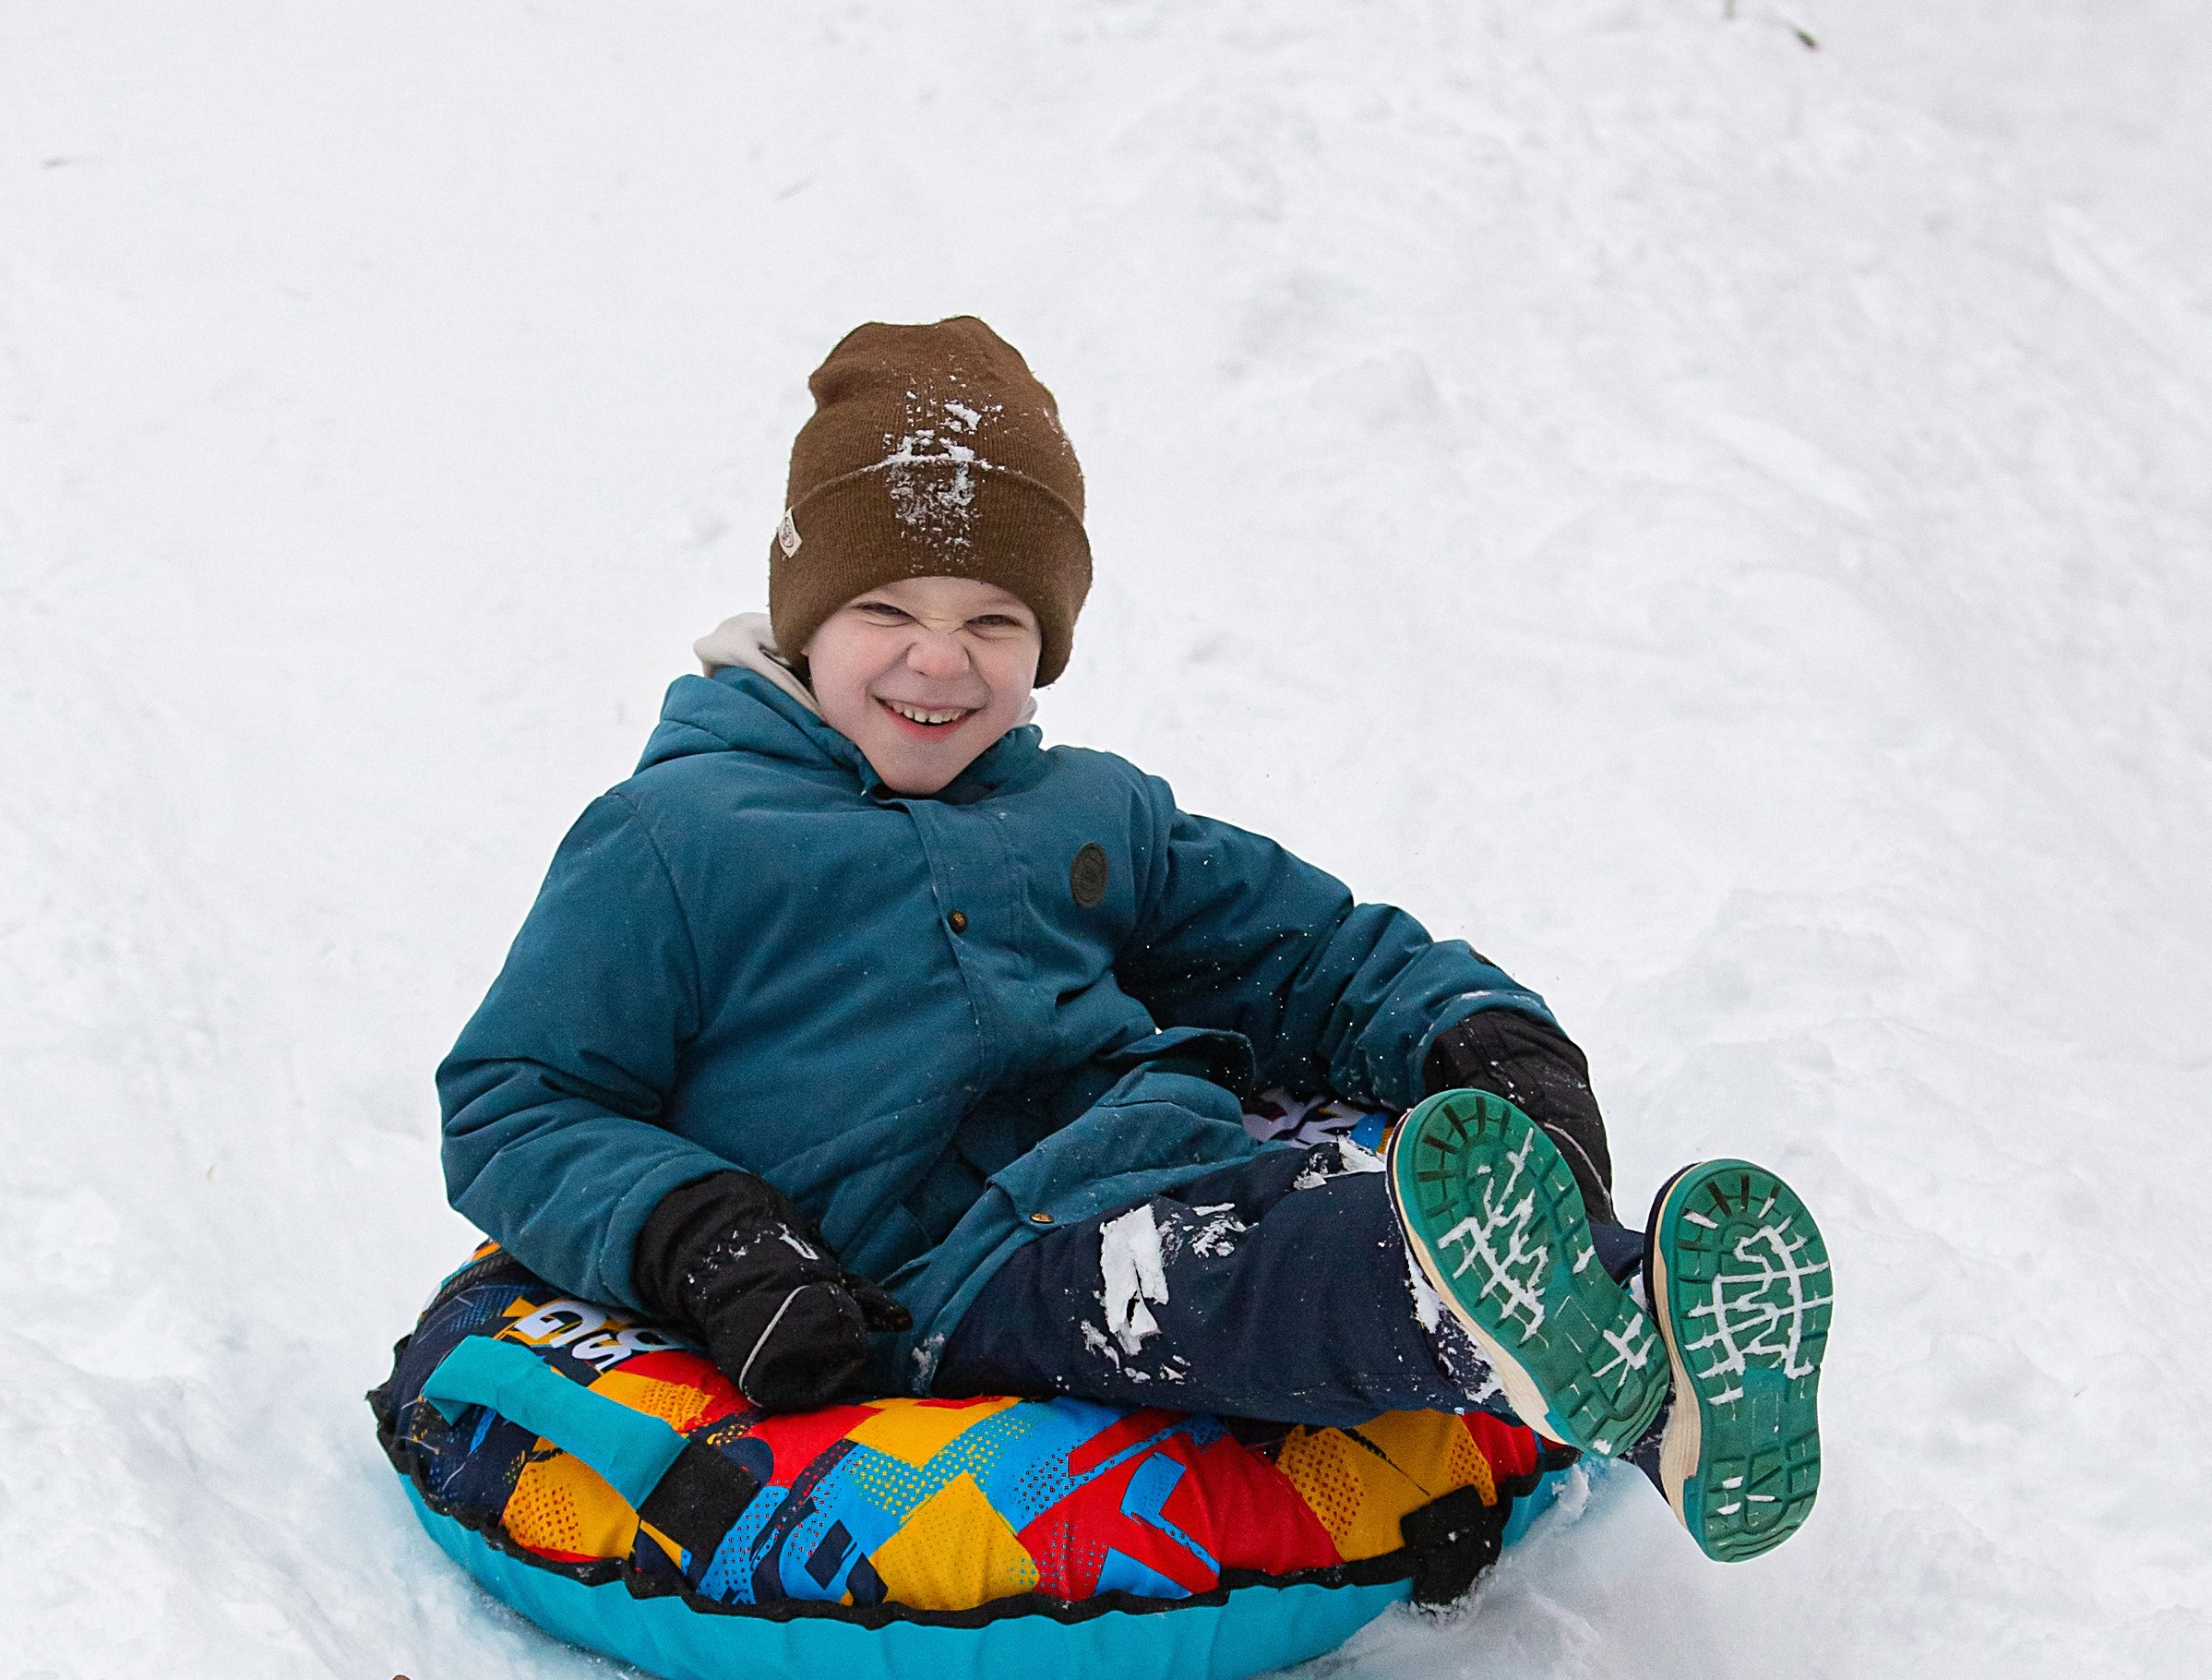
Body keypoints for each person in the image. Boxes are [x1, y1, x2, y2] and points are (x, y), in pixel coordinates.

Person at [438, 317, 1829, 1566]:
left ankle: (1655, 1343)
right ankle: (1498, 1315)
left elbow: (1302, 951)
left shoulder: (1085, 813)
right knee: (1253, 1285)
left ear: (1045, 646)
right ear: (805, 623)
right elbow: (517, 1098)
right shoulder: (681, 838)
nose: (940, 662)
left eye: (994, 622)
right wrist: (706, 1237)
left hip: (1172, 1158)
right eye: (887, 611)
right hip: (964, 1269)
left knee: (1298, 1225)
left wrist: (1485, 1034)